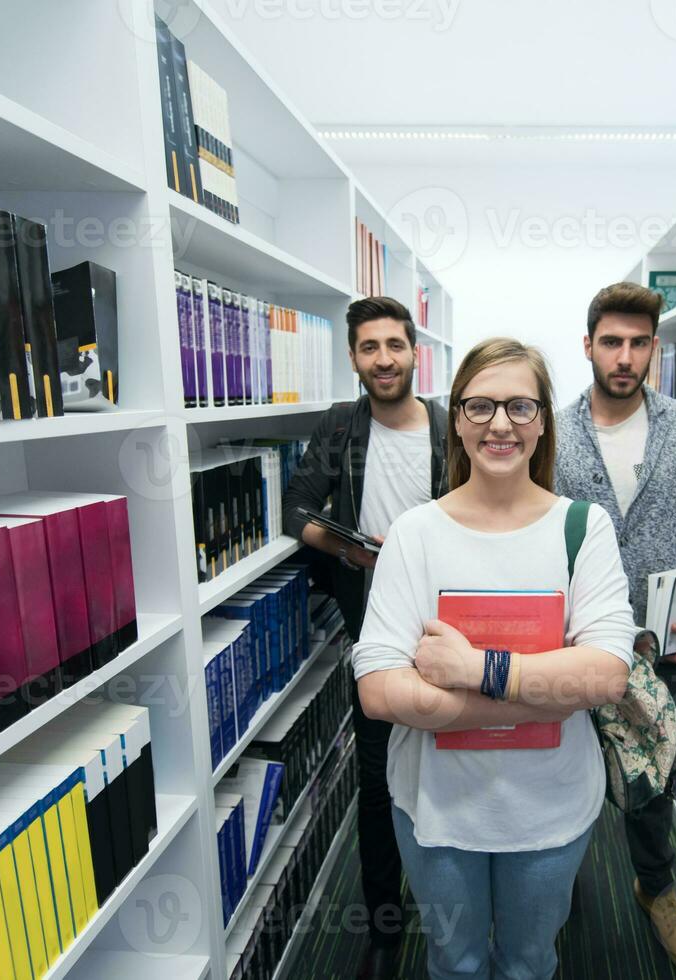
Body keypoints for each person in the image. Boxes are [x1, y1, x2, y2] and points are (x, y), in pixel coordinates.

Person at [351, 338, 636, 980]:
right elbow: (378, 690)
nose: (500, 425)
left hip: (552, 808)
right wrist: (544, 688)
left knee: (529, 963)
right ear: (456, 418)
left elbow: (606, 675)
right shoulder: (415, 532)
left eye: (519, 407)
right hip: (437, 807)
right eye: (479, 406)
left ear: (543, 422)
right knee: (455, 961)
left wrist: (475, 670)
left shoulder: (582, 529)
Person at [555, 281, 676, 978]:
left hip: (654, 642)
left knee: (650, 781)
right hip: (568, 641)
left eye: (638, 343)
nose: (624, 357)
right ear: (588, 346)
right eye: (611, 342)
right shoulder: (550, 426)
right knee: (560, 767)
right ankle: (557, 891)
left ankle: (655, 887)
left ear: (655, 348)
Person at [282, 296, 448, 980]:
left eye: (394, 345)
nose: (383, 358)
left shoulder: (450, 426)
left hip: (446, 627)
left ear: (415, 353)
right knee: (376, 782)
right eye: (369, 347)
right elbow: (295, 509)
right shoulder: (339, 429)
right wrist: (346, 550)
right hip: (370, 630)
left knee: (451, 761)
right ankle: (385, 923)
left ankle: (461, 905)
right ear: (353, 358)